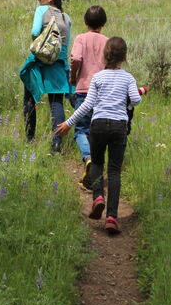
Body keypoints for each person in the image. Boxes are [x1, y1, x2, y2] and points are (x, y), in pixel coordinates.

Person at [56, 36, 145, 234]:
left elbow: (87, 105)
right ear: (124, 57)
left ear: (105, 56)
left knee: (96, 163)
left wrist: (68, 123)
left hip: (98, 125)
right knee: (114, 171)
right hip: (119, 126)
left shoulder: (98, 77)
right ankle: (112, 217)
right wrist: (135, 96)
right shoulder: (128, 78)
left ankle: (97, 197)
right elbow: (136, 101)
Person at [19, 0, 72, 152]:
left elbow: (35, 32)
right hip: (58, 61)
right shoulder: (67, 17)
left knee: (30, 97)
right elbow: (66, 43)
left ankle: (30, 138)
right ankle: (56, 143)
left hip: (39, 59)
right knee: (56, 102)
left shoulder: (42, 10)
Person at [69, 5, 108, 187]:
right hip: (103, 93)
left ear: (85, 22)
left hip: (84, 90)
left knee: (80, 131)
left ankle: (88, 158)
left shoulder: (80, 38)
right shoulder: (107, 41)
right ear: (104, 23)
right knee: (96, 132)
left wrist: (73, 76)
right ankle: (95, 171)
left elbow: (76, 59)